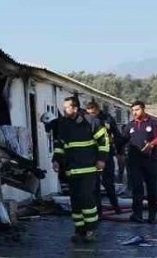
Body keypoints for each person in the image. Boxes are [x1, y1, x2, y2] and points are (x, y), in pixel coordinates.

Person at [52, 96, 109, 242]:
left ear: (75, 108)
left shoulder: (91, 122)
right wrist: (56, 160)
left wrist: (101, 159)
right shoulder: (64, 124)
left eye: (66, 107)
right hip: (71, 170)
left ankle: (91, 230)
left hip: (88, 169)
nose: (64, 110)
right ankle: (79, 231)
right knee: (75, 202)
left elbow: (104, 141)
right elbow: (60, 144)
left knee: (87, 200)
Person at [124, 101, 157, 223]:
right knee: (137, 188)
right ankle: (137, 214)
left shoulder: (152, 123)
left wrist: (151, 145)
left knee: (151, 189)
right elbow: (123, 139)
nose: (135, 113)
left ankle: (152, 216)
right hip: (134, 162)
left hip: (150, 161)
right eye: (133, 110)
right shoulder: (130, 126)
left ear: (143, 109)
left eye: (137, 109)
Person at [85, 101, 123, 214]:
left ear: (97, 110)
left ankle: (116, 207)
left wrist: (120, 152)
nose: (92, 115)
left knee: (108, 183)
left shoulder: (107, 118)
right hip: (92, 155)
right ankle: (99, 210)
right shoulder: (85, 120)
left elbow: (116, 134)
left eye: (93, 113)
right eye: (89, 113)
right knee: (95, 184)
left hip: (107, 153)